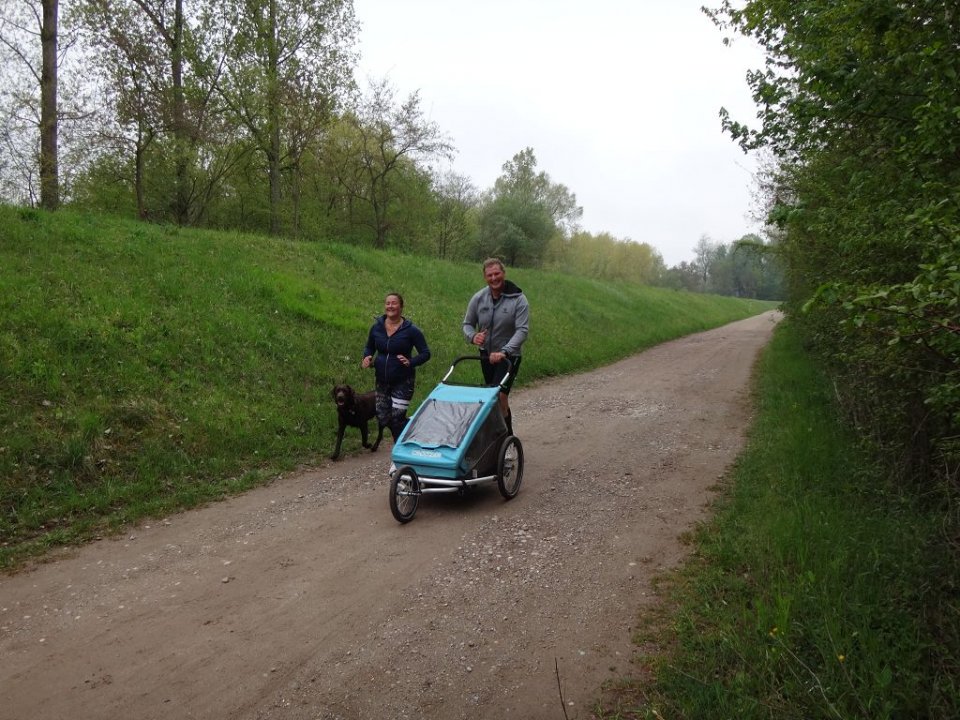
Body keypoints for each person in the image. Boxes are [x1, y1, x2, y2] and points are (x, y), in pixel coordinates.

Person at [462, 257, 529, 435]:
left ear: (503, 273)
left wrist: (505, 351)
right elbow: (467, 324)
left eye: (497, 274)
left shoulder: (519, 299)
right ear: (485, 277)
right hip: (486, 355)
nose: (494, 278)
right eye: (489, 275)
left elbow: (522, 330)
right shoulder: (478, 298)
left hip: (509, 356)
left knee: (500, 395)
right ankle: (497, 435)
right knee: (491, 396)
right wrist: (473, 336)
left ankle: (507, 438)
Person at [362, 292, 431, 442]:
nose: (390, 306)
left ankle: (398, 450)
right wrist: (367, 357)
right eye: (388, 303)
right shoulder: (376, 328)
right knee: (383, 417)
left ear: (401, 306)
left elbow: (426, 353)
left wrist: (411, 362)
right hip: (382, 380)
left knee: (397, 418)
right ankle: (413, 425)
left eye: (394, 303)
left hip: (403, 381)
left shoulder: (411, 330)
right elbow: (369, 347)